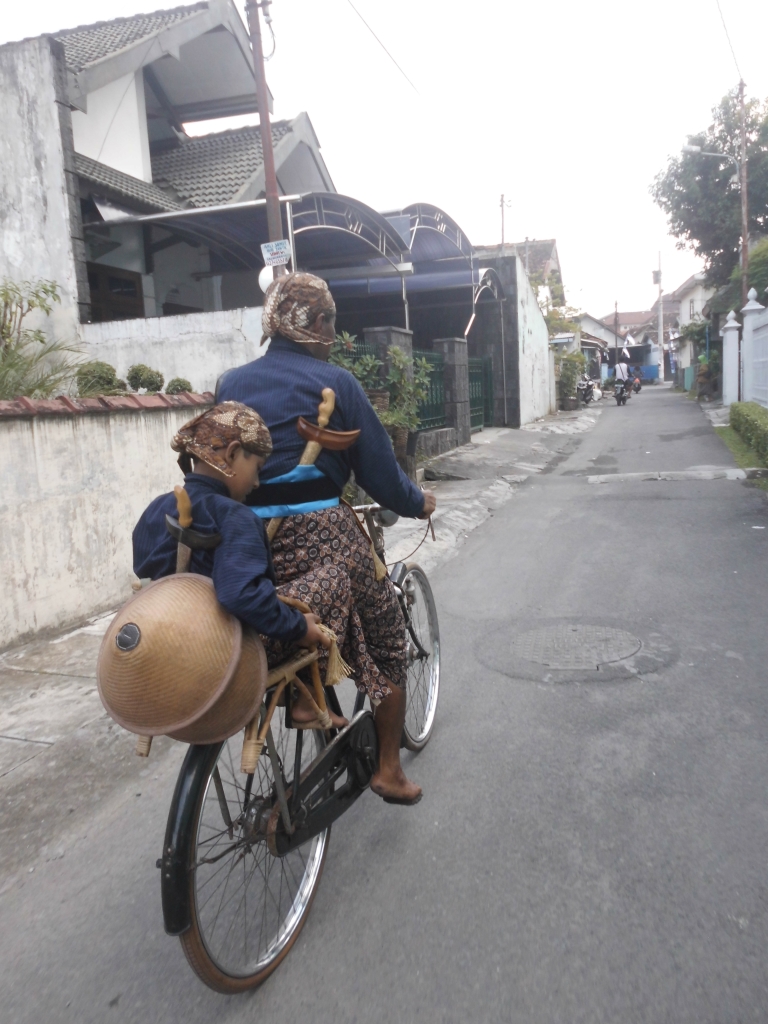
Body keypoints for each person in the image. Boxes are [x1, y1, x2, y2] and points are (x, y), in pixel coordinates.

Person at [217, 271, 436, 805]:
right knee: (387, 643)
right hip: (322, 530)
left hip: (246, 536)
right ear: (314, 324)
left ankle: (303, 688)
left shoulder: (230, 384)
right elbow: (382, 475)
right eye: (330, 323)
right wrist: (418, 501)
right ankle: (387, 769)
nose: (333, 334)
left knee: (299, 603)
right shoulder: (338, 384)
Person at [132, 400, 346, 729]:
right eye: (257, 467)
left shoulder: (158, 508)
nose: (257, 482)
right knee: (334, 577)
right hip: (225, 655)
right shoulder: (235, 517)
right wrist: (299, 627)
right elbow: (239, 595)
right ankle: (306, 697)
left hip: (171, 651)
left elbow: (144, 566)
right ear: (232, 454)